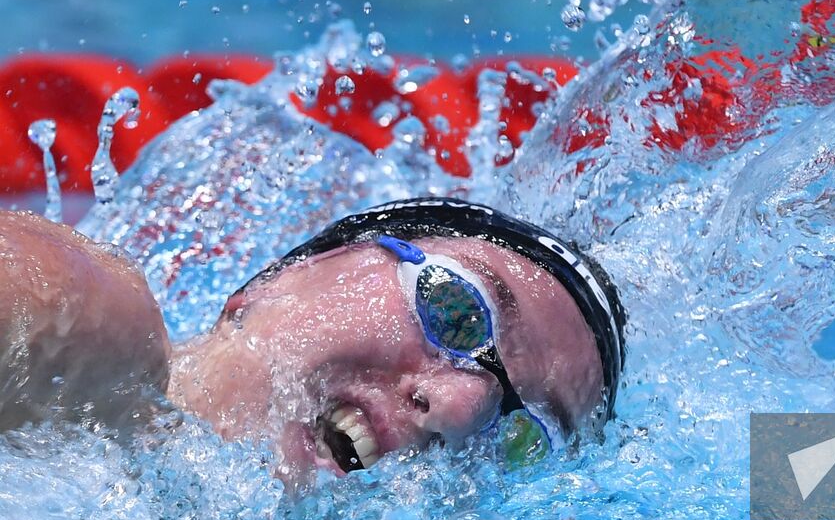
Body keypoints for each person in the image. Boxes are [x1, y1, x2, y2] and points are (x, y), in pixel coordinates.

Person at [0, 198, 626, 486]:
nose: (464, 411)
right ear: (286, 274)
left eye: (521, 438)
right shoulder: (86, 329)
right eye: (459, 313)